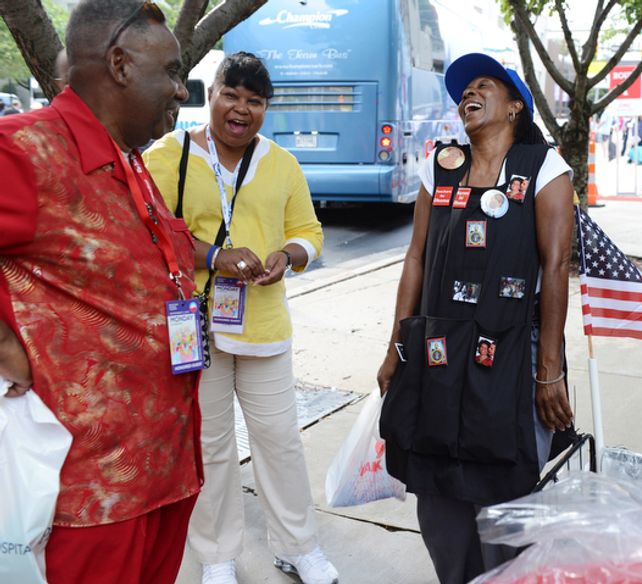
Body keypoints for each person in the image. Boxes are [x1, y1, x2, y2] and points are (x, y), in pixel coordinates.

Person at [0, 1, 200, 582]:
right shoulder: (24, 150)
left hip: (166, 470)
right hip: (88, 493)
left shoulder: (130, 160)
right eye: (171, 72)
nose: (180, 91)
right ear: (119, 64)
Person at [377, 52, 575, 584]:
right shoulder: (437, 165)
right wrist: (397, 347)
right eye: (464, 88)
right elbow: (415, 257)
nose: (469, 92)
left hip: (509, 351)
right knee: (439, 492)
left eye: (485, 84)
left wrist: (548, 368)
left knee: (504, 496)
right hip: (437, 349)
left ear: (514, 107)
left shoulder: (544, 167)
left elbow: (556, 265)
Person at [143, 52, 336, 584]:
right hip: (194, 326)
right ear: (211, 95)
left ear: (265, 109)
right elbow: (149, 233)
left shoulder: (281, 163)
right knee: (211, 446)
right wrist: (211, 256)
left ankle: (299, 546)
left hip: (263, 326)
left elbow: (310, 232)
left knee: (279, 439)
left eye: (255, 101)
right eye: (232, 95)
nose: (241, 109)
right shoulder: (168, 155)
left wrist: (289, 255)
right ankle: (217, 555)